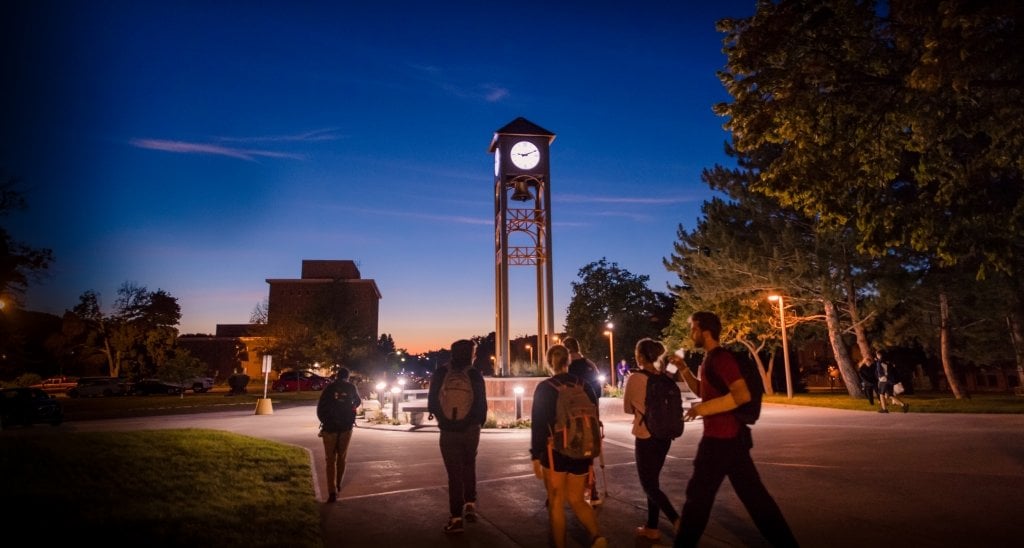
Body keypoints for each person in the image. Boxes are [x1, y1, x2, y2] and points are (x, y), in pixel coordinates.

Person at [671, 311, 798, 548]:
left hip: (721, 440)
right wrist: (684, 370)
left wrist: (702, 410)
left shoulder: (721, 359)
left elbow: (741, 395)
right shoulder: (708, 361)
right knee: (756, 501)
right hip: (731, 442)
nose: (691, 334)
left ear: (704, 331)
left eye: (693, 329)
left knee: (697, 500)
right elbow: (703, 391)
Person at [530, 344, 607, 548]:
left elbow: (538, 425)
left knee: (556, 501)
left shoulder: (545, 388)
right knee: (577, 499)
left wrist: (535, 456)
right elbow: (594, 418)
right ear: (568, 361)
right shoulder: (585, 385)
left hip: (555, 451)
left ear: (549, 363)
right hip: (582, 449)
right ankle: (597, 536)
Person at [427, 339, 488, 534]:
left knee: (454, 474)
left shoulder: (442, 372)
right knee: (469, 464)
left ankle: (455, 519)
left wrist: (443, 421)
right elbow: (481, 404)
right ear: (471, 354)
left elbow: (432, 401)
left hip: (448, 430)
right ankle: (470, 504)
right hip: (470, 430)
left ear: (452, 353)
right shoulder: (474, 374)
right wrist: (476, 423)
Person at [623, 338, 680, 542]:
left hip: (646, 435)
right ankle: (652, 527)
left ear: (639, 356)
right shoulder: (665, 377)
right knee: (653, 482)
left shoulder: (636, 378)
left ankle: (676, 519)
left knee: (648, 485)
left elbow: (627, 408)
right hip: (665, 435)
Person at [562, 336, 603, 506]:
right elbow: (598, 391)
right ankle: (593, 491)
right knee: (588, 453)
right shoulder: (590, 365)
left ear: (566, 349)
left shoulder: (567, 368)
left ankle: (568, 490)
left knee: (568, 451)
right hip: (591, 415)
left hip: (571, 416)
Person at [316, 367, 362, 503]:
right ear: (347, 377)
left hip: (329, 429)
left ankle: (331, 492)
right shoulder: (351, 387)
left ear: (337, 376)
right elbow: (358, 401)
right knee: (341, 457)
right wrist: (351, 407)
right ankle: (338, 484)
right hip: (346, 428)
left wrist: (326, 421)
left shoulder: (329, 388)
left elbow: (320, 408)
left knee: (330, 460)